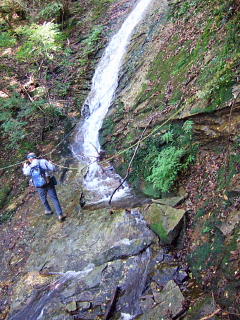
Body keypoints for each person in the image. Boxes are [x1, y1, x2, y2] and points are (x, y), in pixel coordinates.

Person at [23, 152, 65, 222]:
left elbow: (26, 173)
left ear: (30, 159)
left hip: (39, 186)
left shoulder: (29, 167)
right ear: (35, 157)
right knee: (54, 198)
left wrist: (24, 167)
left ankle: (48, 210)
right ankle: (60, 215)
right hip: (48, 182)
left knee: (43, 198)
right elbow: (53, 168)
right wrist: (50, 163)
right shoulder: (43, 161)